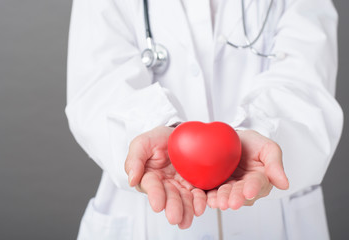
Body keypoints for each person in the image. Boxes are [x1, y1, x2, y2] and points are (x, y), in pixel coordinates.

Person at [65, 0, 343, 239]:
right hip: (143, 222)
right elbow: (98, 86)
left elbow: (306, 82)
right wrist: (147, 128)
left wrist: (263, 131)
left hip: (275, 223)